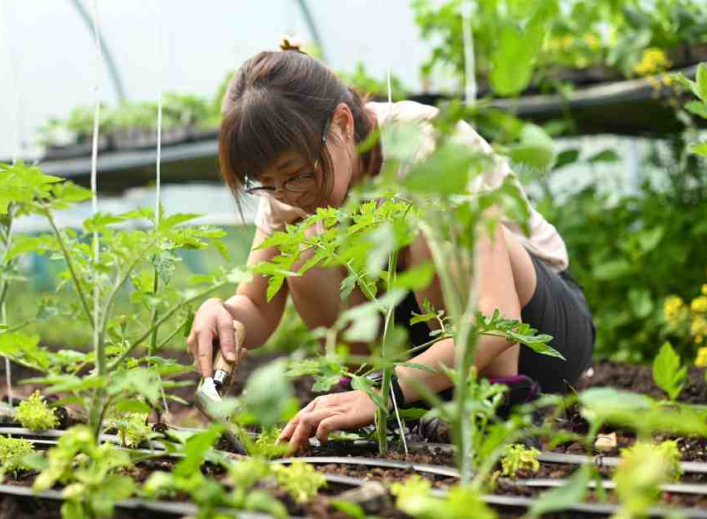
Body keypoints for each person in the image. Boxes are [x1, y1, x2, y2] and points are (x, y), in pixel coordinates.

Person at [186, 41, 595, 451]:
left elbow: (496, 315)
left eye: (296, 175)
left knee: (428, 224)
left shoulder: (424, 143)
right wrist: (221, 313)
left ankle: (498, 403)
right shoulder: (286, 191)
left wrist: (382, 392)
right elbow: (256, 306)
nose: (288, 194)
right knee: (307, 245)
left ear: (343, 125)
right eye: (267, 183)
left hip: (536, 333)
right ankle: (381, 406)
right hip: (424, 358)